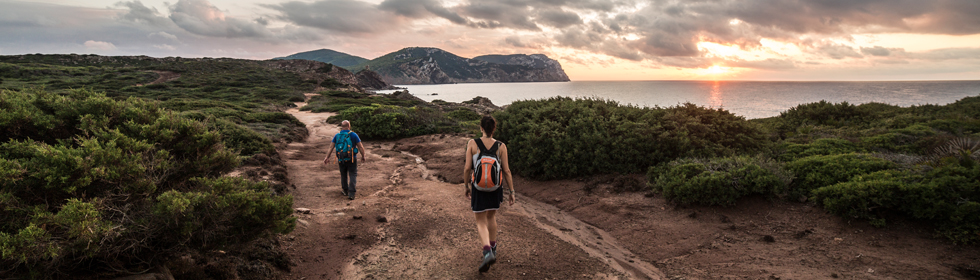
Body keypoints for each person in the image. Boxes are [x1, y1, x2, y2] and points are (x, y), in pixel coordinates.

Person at [463, 115, 516, 273]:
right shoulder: (501, 146)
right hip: (495, 188)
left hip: (478, 187)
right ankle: (493, 248)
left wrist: (466, 186)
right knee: (491, 217)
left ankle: (487, 251)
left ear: (481, 128)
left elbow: (467, 168)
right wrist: (512, 191)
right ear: (494, 129)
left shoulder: (472, 143)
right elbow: (506, 170)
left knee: (480, 220)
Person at [324, 120, 367, 200]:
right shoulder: (353, 135)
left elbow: (331, 147)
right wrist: (363, 156)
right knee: (352, 174)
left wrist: (327, 157)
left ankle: (345, 190)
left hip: (341, 158)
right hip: (352, 158)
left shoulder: (337, 136)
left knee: (343, 174)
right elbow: (360, 146)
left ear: (342, 126)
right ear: (349, 126)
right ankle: (351, 193)